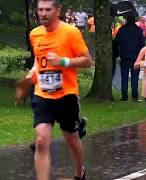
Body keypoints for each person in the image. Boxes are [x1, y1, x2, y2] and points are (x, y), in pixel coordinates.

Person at [28, 0, 92, 179]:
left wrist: (64, 61)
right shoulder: (35, 34)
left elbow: (87, 61)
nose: (43, 13)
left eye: (48, 9)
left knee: (72, 139)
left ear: (57, 10)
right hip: (43, 94)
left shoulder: (70, 32)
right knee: (41, 140)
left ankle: (79, 171)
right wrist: (33, 70)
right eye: (40, 9)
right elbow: (38, 58)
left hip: (66, 94)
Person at [115, 16, 145, 102]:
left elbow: (117, 42)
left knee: (124, 77)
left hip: (124, 56)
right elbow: (142, 44)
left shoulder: (122, 29)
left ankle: (124, 97)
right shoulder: (139, 30)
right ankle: (134, 96)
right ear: (135, 20)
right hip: (136, 57)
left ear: (127, 20)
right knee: (134, 77)